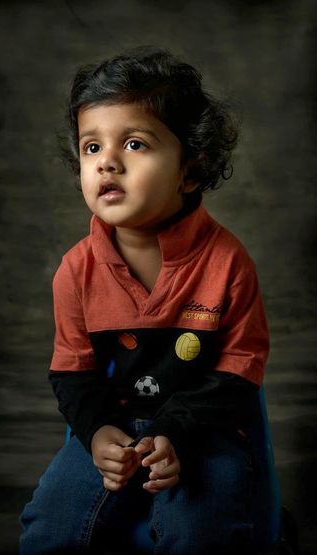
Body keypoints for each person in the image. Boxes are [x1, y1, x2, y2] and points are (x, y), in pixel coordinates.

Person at [19, 46, 269, 554]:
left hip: (204, 431)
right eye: (92, 148)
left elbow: (240, 369)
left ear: (190, 171)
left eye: (134, 143)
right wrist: (96, 435)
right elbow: (72, 372)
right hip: (113, 426)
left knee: (201, 535)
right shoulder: (76, 269)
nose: (107, 160)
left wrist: (177, 432)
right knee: (51, 528)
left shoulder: (227, 263)